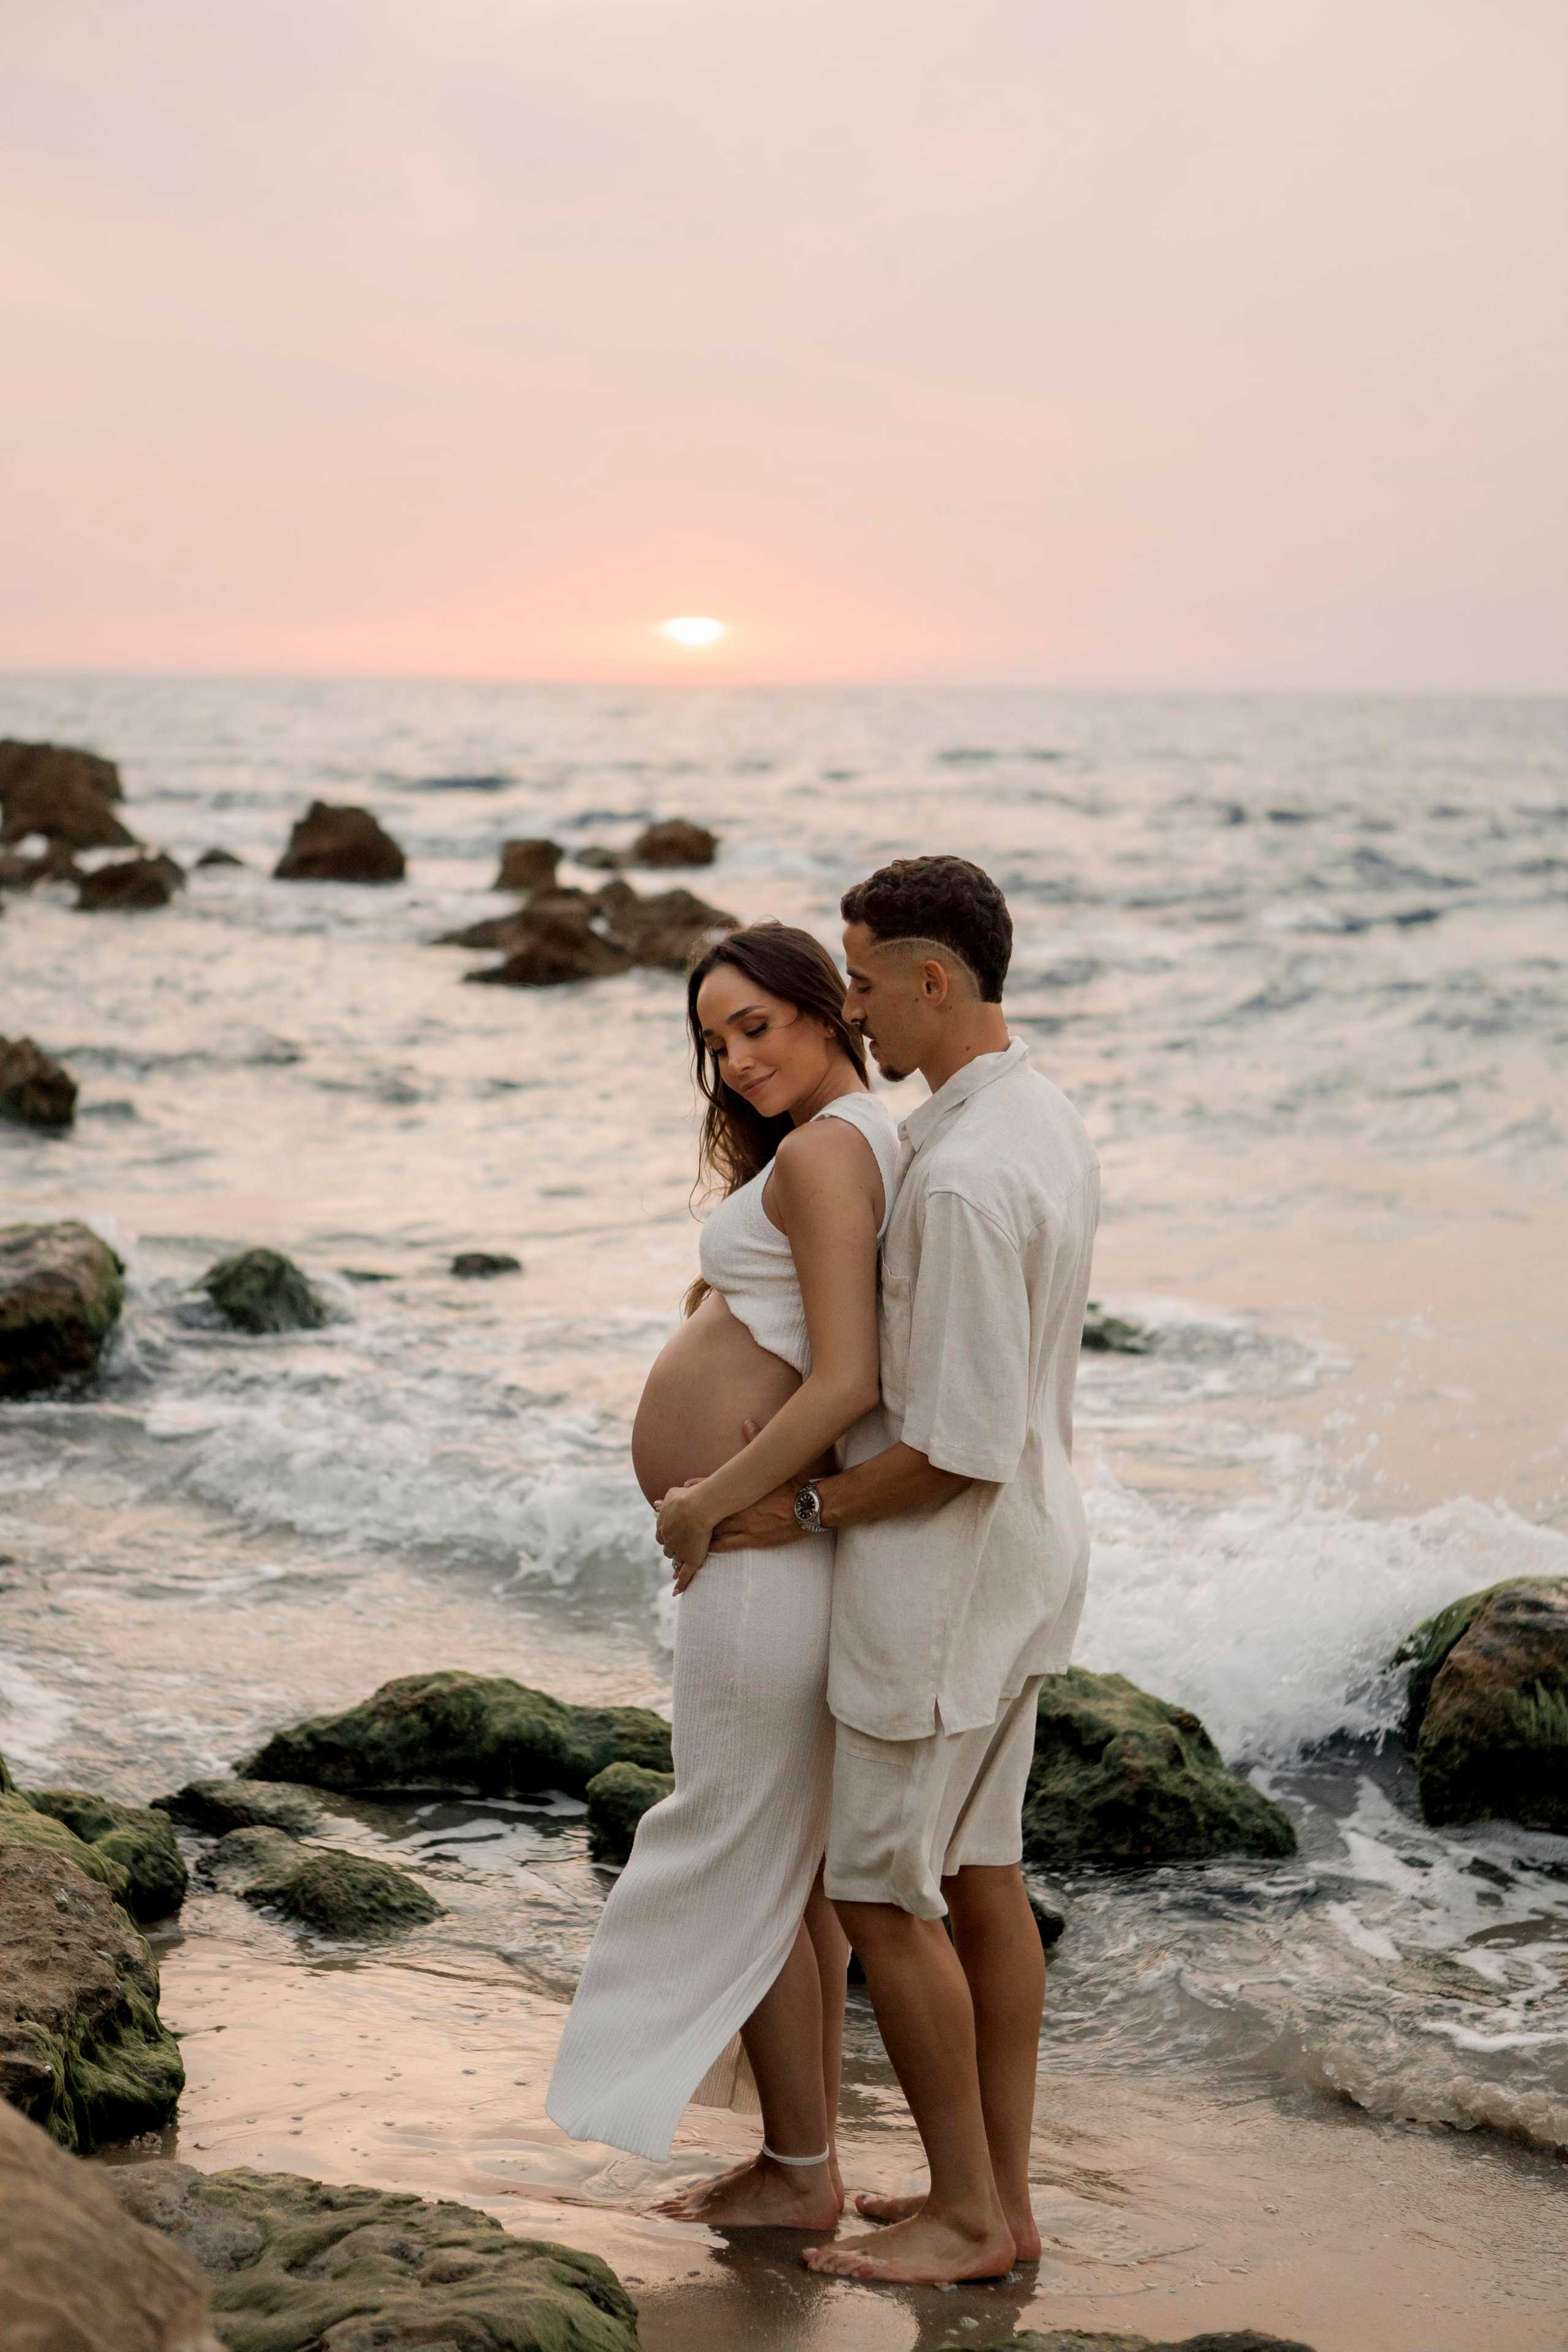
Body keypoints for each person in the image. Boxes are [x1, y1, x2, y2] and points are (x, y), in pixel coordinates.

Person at [703, 854, 1101, 2285]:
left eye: (863, 982)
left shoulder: (966, 1181)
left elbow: (955, 1446)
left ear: (936, 979)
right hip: (1024, 1563)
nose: (853, 1010)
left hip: (941, 1578)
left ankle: (969, 2218)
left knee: (881, 1891)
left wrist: (794, 1509)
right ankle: (1001, 2195)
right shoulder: (1035, 1118)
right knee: (981, 1873)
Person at [546, 921, 901, 2230]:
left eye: (756, 1025)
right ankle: (796, 2163)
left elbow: (847, 1379)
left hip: (758, 1554)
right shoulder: (845, 1143)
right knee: (781, 1872)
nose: (736, 1059)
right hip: (769, 1550)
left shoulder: (827, 1148)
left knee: (736, 1852)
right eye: (714, 1041)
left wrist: (709, 1498)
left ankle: (801, 2176)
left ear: (827, 1006)